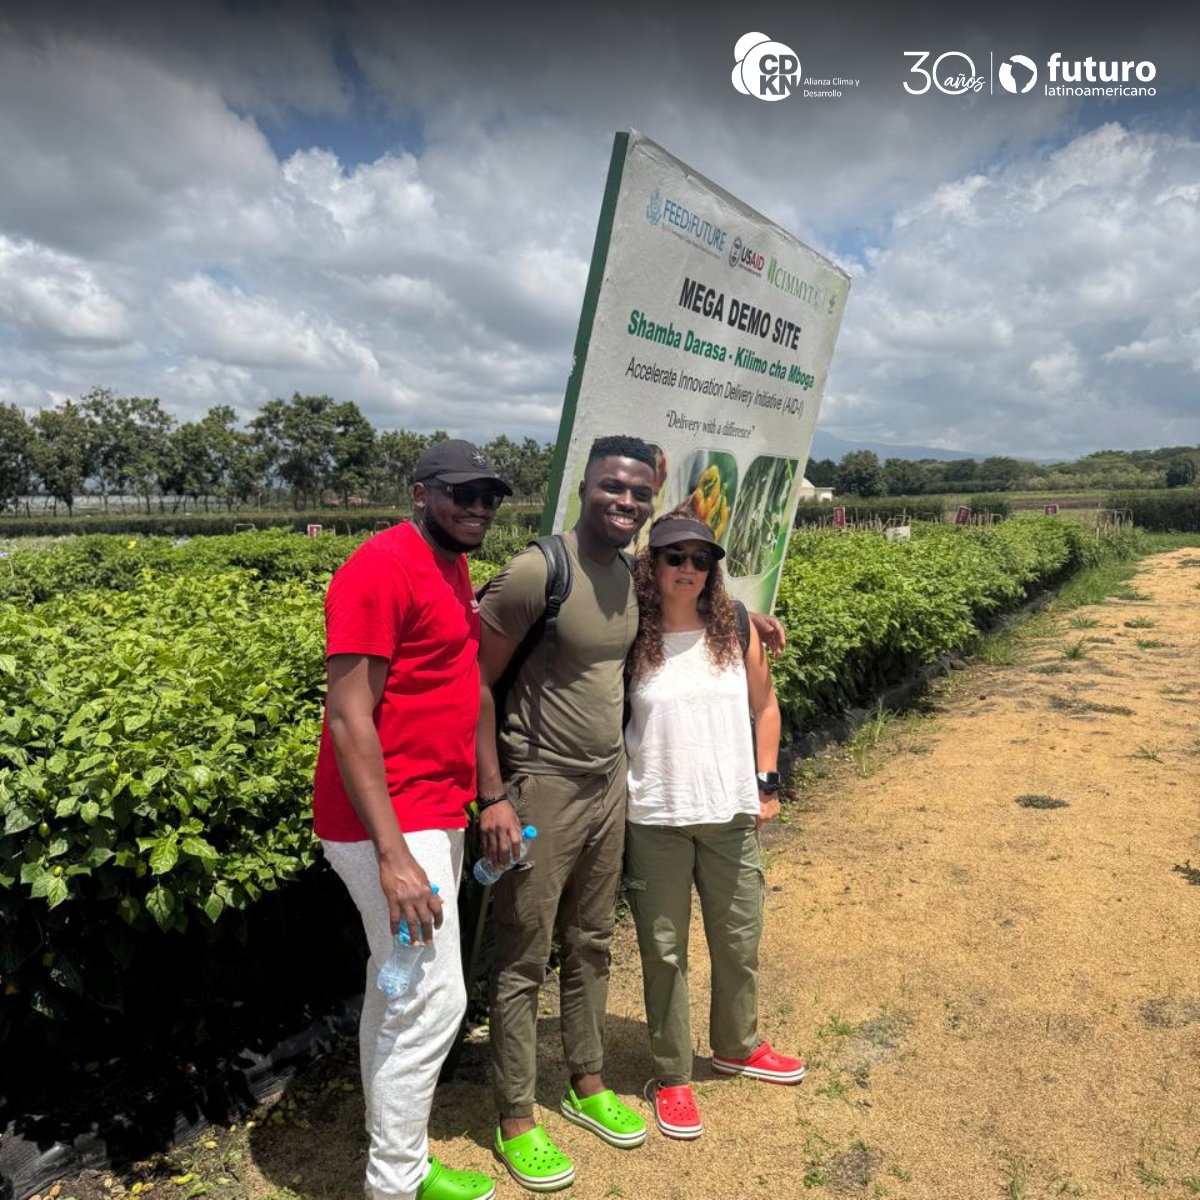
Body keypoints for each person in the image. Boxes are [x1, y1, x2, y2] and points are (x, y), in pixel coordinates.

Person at [313, 439, 512, 1200]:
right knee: (436, 1000)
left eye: (489, 497)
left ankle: (397, 1162)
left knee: (398, 988)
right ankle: (395, 1181)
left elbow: (458, 682)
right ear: (420, 493)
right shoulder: (379, 567)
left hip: (430, 811)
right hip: (388, 826)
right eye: (461, 494)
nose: (477, 508)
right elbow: (349, 716)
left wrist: (486, 794)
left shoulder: (450, 566)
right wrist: (395, 857)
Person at [475, 435, 658, 1192]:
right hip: (539, 787)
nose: (626, 502)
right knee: (523, 955)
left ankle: (586, 1081)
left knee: (590, 940)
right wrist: (493, 795)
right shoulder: (536, 571)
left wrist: (748, 624)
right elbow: (474, 686)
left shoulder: (627, 573)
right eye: (614, 487)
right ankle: (515, 1114)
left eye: (640, 493)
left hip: (606, 780)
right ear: (585, 487)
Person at [623, 512, 806, 1142]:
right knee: (664, 953)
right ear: (652, 565)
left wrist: (767, 782)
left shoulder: (734, 626)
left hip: (729, 814)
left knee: (738, 939)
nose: (688, 569)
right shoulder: (631, 635)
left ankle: (738, 1045)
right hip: (656, 819)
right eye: (674, 557)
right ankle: (672, 1074)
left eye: (701, 559)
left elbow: (766, 707)